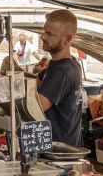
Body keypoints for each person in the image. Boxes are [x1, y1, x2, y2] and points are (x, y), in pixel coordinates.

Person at [34, 9, 86, 147]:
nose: (42, 37)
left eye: (49, 34)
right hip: (64, 147)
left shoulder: (63, 71)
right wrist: (11, 71)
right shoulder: (67, 64)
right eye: (44, 31)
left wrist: (0, 89)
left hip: (60, 154)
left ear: (67, 39)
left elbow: (35, 107)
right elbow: (38, 82)